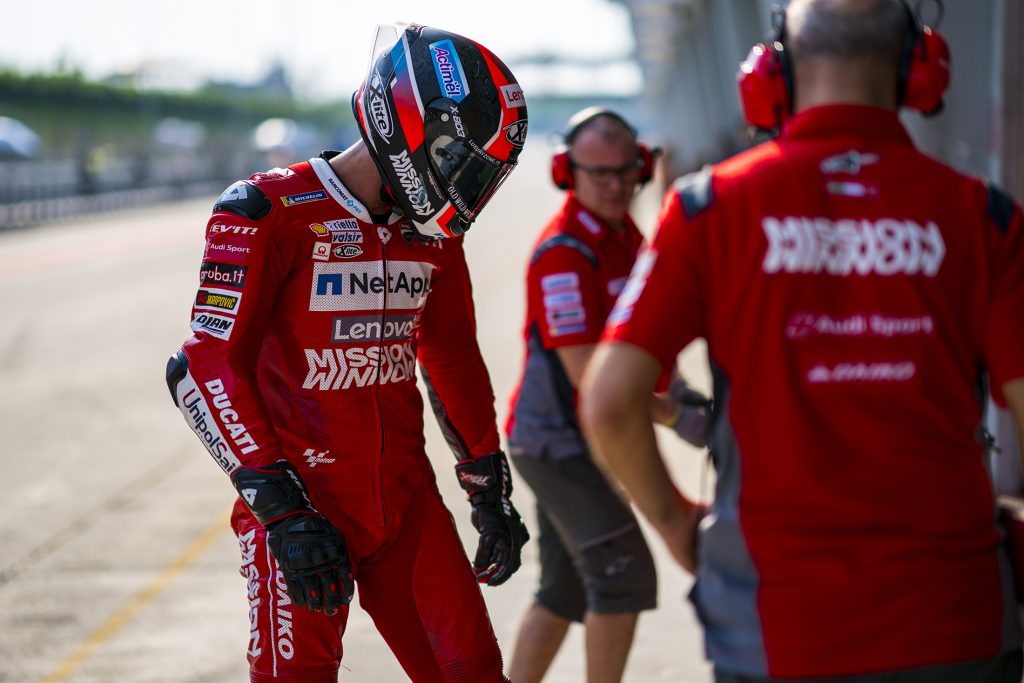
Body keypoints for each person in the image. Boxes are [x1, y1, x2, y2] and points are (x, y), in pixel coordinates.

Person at [580, 0, 1024, 681]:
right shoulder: (984, 216)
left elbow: (610, 401)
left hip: (775, 632)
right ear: (919, 68)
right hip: (955, 622)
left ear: (772, 75)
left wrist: (674, 523)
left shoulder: (708, 208)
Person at [164, 23, 531, 683]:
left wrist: (486, 482)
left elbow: (451, 355)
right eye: (462, 162)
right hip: (303, 509)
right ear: (412, 125)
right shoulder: (266, 210)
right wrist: (280, 508)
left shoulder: (435, 235)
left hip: (407, 504)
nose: (468, 188)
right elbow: (201, 365)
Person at [504, 107, 711, 683]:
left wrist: (683, 392)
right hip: (560, 445)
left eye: (626, 172)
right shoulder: (563, 254)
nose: (617, 185)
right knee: (624, 578)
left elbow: (648, 341)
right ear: (567, 174)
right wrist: (674, 416)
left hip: (590, 438)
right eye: (600, 174)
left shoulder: (629, 237)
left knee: (564, 590)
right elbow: (590, 380)